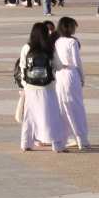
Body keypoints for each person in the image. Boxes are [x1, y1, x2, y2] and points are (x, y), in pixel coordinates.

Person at [15, 22, 65, 152]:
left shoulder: (26, 47)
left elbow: (22, 66)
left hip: (30, 87)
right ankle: (57, 145)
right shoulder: (49, 47)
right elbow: (58, 66)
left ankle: (26, 143)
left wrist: (25, 84)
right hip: (47, 87)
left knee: (29, 117)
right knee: (52, 116)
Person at [52, 16, 88, 150]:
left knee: (63, 106)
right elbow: (76, 61)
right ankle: (81, 138)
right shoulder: (72, 42)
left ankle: (66, 137)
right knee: (77, 106)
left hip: (60, 74)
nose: (74, 29)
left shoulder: (57, 41)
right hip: (71, 74)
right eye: (73, 26)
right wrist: (82, 77)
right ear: (68, 27)